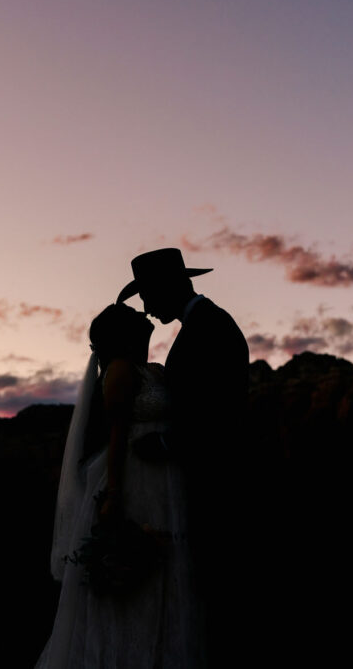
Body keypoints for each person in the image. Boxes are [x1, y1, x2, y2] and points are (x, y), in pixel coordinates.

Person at [36, 303, 204, 669]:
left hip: (164, 480)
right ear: (126, 338)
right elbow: (116, 435)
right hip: (134, 477)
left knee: (160, 567)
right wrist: (114, 493)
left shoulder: (151, 371)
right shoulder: (120, 371)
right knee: (134, 567)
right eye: (141, 331)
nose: (148, 333)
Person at [116, 248, 249, 667]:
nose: (146, 309)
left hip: (216, 483)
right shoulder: (202, 324)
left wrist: (169, 446)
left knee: (217, 592)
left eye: (148, 297)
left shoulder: (211, 327)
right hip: (200, 481)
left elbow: (220, 410)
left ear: (168, 288)